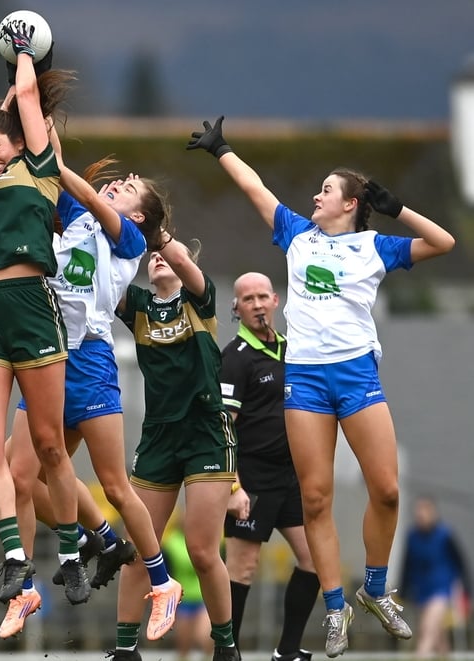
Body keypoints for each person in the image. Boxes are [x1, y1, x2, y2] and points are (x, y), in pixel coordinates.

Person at [187, 116, 455, 658]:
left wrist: (397, 207)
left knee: (387, 489)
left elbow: (443, 241)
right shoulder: (296, 234)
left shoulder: (376, 246)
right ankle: (336, 608)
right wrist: (221, 150)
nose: (317, 194)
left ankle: (375, 590)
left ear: (351, 204)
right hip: (305, 378)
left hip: (356, 373)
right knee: (315, 499)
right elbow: (255, 189)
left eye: (328, 190)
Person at [2, 161, 182, 639]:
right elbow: (50, 164)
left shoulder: (129, 240)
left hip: (90, 362)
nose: (119, 183)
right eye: (119, 181)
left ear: (139, 215)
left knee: (117, 486)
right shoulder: (76, 215)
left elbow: (66, 176)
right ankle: (51, 569)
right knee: (17, 472)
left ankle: (163, 583)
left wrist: (55, 164)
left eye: (131, 186)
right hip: (48, 359)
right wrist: (30, 107)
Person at [0, 24, 87, 630]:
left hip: (32, 307)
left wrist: (24, 58)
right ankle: (14, 558)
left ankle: (70, 550)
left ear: (20, 143)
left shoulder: (40, 171)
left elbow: (30, 104)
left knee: (49, 446)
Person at [110, 235, 239, 661]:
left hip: (205, 431)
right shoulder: (139, 306)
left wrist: (156, 231)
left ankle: (225, 647)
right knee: (137, 547)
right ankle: (125, 649)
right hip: (159, 435)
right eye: (152, 257)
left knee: (203, 551)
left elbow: (177, 254)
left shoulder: (200, 299)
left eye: (167, 253)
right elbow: (101, 271)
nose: (158, 258)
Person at [221, 272, 320, 661]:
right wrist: (234, 486)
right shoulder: (234, 358)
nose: (257, 304)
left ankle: (288, 650)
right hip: (252, 478)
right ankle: (228, 651)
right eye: (248, 299)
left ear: (276, 300)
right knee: (241, 570)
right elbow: (221, 426)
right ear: (237, 308)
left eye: (263, 296)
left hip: (291, 475)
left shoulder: (292, 349)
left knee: (314, 559)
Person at [400, 495, 472, 657]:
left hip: (441, 588)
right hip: (422, 589)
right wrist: (403, 590)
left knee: (427, 628)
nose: (421, 514)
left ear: (433, 512)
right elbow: (407, 564)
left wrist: (468, 591)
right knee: (438, 636)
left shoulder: (445, 535)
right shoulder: (412, 536)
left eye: (425, 510)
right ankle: (445, 657)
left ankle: (420, 655)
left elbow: (461, 563)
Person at [163, 517, 214, 661]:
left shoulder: (205, 540)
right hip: (182, 599)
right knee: (183, 644)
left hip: (202, 598)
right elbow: (167, 571)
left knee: (204, 636)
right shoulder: (170, 544)